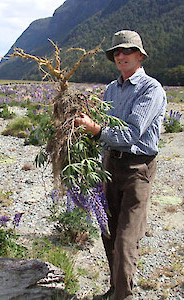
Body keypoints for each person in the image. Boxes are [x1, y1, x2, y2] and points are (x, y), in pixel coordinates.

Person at [74, 30, 167, 299]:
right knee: (109, 233)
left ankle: (123, 297)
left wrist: (95, 130)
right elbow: (104, 131)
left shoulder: (151, 89)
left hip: (138, 169)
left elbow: (132, 132)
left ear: (139, 55)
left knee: (126, 239)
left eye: (127, 51)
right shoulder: (111, 89)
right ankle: (116, 289)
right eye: (117, 52)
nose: (121, 55)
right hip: (110, 165)